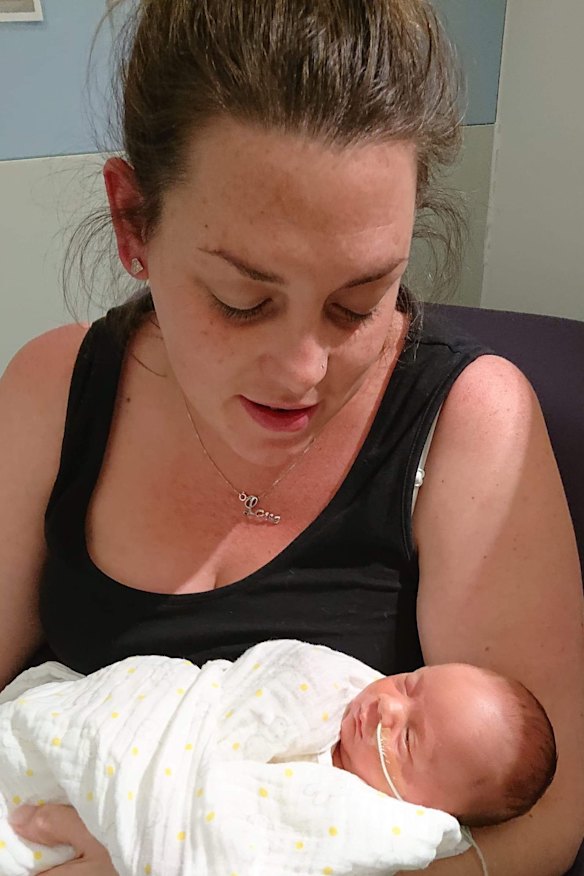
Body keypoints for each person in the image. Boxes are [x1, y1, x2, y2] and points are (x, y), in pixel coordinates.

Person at [1, 0, 582, 873]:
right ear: (134, 225)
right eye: (242, 302)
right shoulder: (56, 390)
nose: (304, 370)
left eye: (359, 301)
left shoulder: (471, 426)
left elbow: (547, 825)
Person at [0, 640, 556, 875]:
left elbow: (239, 852)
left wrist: (139, 842)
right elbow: (255, 679)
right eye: (411, 683)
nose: (386, 706)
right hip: (144, 720)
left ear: (430, 811)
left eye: (409, 738)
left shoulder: (364, 824)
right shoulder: (341, 686)